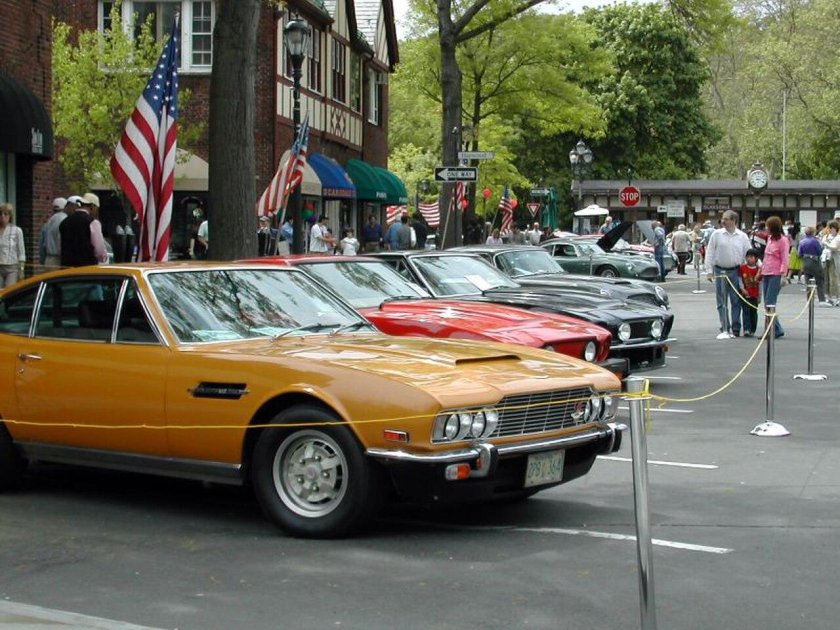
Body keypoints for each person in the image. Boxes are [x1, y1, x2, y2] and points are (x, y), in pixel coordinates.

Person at [705, 209, 751, 339]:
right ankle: (725, 326)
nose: (723, 221)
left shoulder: (742, 236)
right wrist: (709, 271)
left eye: (726, 219)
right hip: (720, 270)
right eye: (723, 218)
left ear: (733, 220)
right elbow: (710, 252)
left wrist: (754, 269)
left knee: (736, 300)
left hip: (736, 271)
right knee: (721, 300)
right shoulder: (716, 234)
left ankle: (736, 327)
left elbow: (748, 253)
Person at [758, 216, 789, 338]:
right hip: (766, 272)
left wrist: (783, 275)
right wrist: (760, 271)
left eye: (768, 226)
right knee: (767, 303)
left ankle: (769, 330)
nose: (766, 228)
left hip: (776, 274)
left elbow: (785, 258)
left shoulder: (783, 240)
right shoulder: (770, 239)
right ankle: (777, 328)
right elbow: (766, 257)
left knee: (770, 302)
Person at [798, 225, 828, 306]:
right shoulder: (815, 241)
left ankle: (809, 300)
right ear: (813, 232)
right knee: (820, 280)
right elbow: (819, 251)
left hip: (805, 261)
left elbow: (799, 254)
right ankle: (822, 299)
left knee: (808, 282)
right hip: (814, 261)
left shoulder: (802, 241)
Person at [0, 203, 26, 287]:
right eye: (0, 214)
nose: (2, 216)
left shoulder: (17, 230)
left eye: (5, 214)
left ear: (10, 216)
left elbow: (21, 252)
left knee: (9, 291)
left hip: (12, 267)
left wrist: (21, 270)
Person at [738, 249, 761, 337]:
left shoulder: (758, 270)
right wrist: (742, 288)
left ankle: (753, 329)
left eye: (751, 257)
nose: (749, 259)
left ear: (756, 259)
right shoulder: (742, 268)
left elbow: (761, 283)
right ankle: (746, 329)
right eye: (747, 257)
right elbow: (740, 279)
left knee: (754, 312)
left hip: (754, 295)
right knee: (745, 311)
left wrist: (759, 296)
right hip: (745, 294)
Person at [41, 197, 68, 269]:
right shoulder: (65, 220)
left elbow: (42, 244)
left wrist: (43, 260)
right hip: (60, 260)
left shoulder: (48, 222)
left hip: (48, 259)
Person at [821, 221, 840, 306]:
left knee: (834, 279)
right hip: (825, 259)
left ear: (836, 229)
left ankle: (836, 297)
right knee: (825, 279)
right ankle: (827, 296)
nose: (831, 230)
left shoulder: (838, 237)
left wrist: (826, 244)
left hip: (833, 259)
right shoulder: (826, 236)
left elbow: (835, 247)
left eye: (832, 228)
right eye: (830, 228)